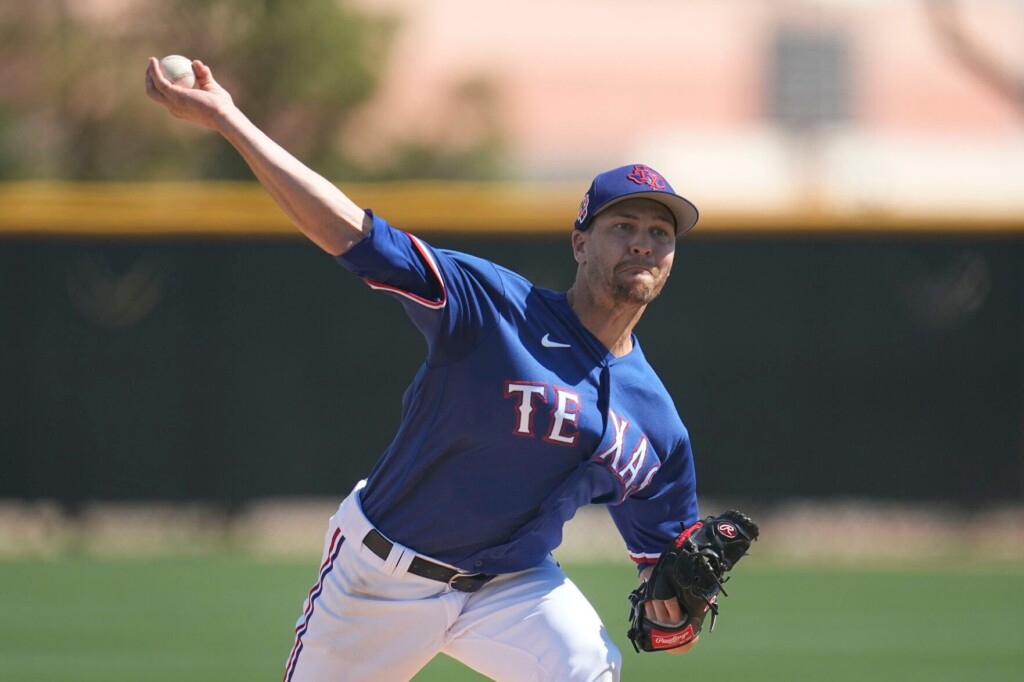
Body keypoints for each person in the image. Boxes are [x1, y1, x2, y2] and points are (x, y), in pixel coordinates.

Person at [146, 57, 703, 682]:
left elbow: (669, 570)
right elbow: (353, 234)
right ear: (580, 243)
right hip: (382, 577)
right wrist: (228, 120)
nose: (642, 243)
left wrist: (677, 606)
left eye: (660, 232)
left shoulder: (656, 421)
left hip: (513, 588)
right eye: (623, 225)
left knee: (586, 666)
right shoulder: (492, 307)